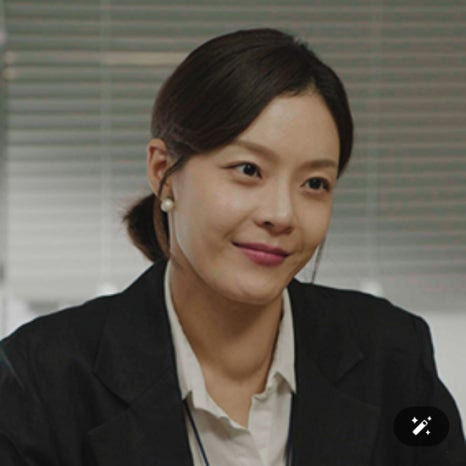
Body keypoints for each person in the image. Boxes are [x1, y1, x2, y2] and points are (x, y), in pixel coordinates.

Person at [0, 28, 465, 466]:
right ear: (163, 171)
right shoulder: (40, 381)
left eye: (314, 183)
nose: (281, 214)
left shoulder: (392, 359)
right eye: (248, 170)